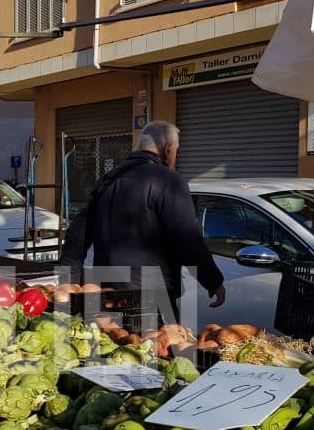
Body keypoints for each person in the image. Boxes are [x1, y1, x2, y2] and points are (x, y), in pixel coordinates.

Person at [60, 121, 226, 321]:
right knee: (161, 348)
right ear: (167, 148)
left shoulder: (108, 180)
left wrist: (67, 281)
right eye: (176, 150)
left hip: (108, 294)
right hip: (152, 297)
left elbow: (77, 235)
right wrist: (213, 281)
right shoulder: (168, 180)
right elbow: (187, 239)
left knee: (114, 347)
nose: (175, 156)